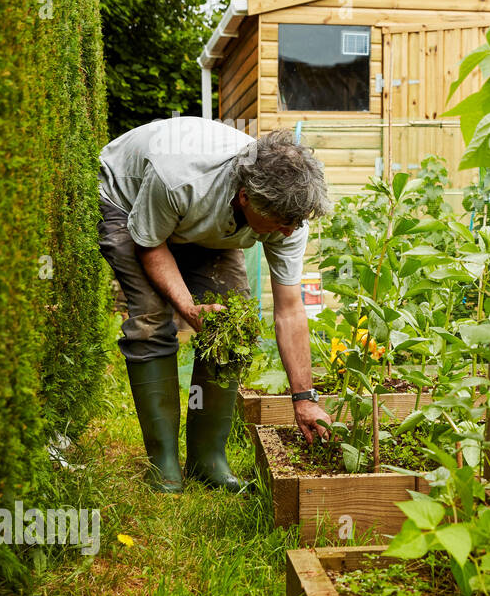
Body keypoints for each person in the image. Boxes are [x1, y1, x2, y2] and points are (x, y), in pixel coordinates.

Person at [97, 117, 333, 493]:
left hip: (197, 218)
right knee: (151, 321)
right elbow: (150, 245)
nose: (289, 231)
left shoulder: (288, 216)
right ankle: (164, 464)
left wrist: (304, 398)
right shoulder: (178, 176)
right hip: (129, 204)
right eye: (281, 223)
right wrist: (189, 309)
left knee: (232, 328)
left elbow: (289, 309)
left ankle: (207, 460)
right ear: (245, 197)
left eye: (296, 222)